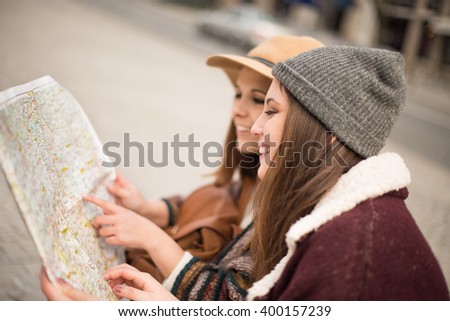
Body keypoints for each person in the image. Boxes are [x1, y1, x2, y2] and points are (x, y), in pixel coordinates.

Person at [40, 35, 326, 301]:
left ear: (304, 122)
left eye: (262, 102)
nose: (238, 109)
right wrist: (147, 208)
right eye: (237, 94)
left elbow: (230, 299)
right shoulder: (254, 177)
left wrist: (152, 237)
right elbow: (212, 204)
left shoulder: (299, 216)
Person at [245, 45, 449, 300]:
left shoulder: (349, 248)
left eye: (272, 111)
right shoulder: (345, 222)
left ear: (329, 135)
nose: (255, 127)